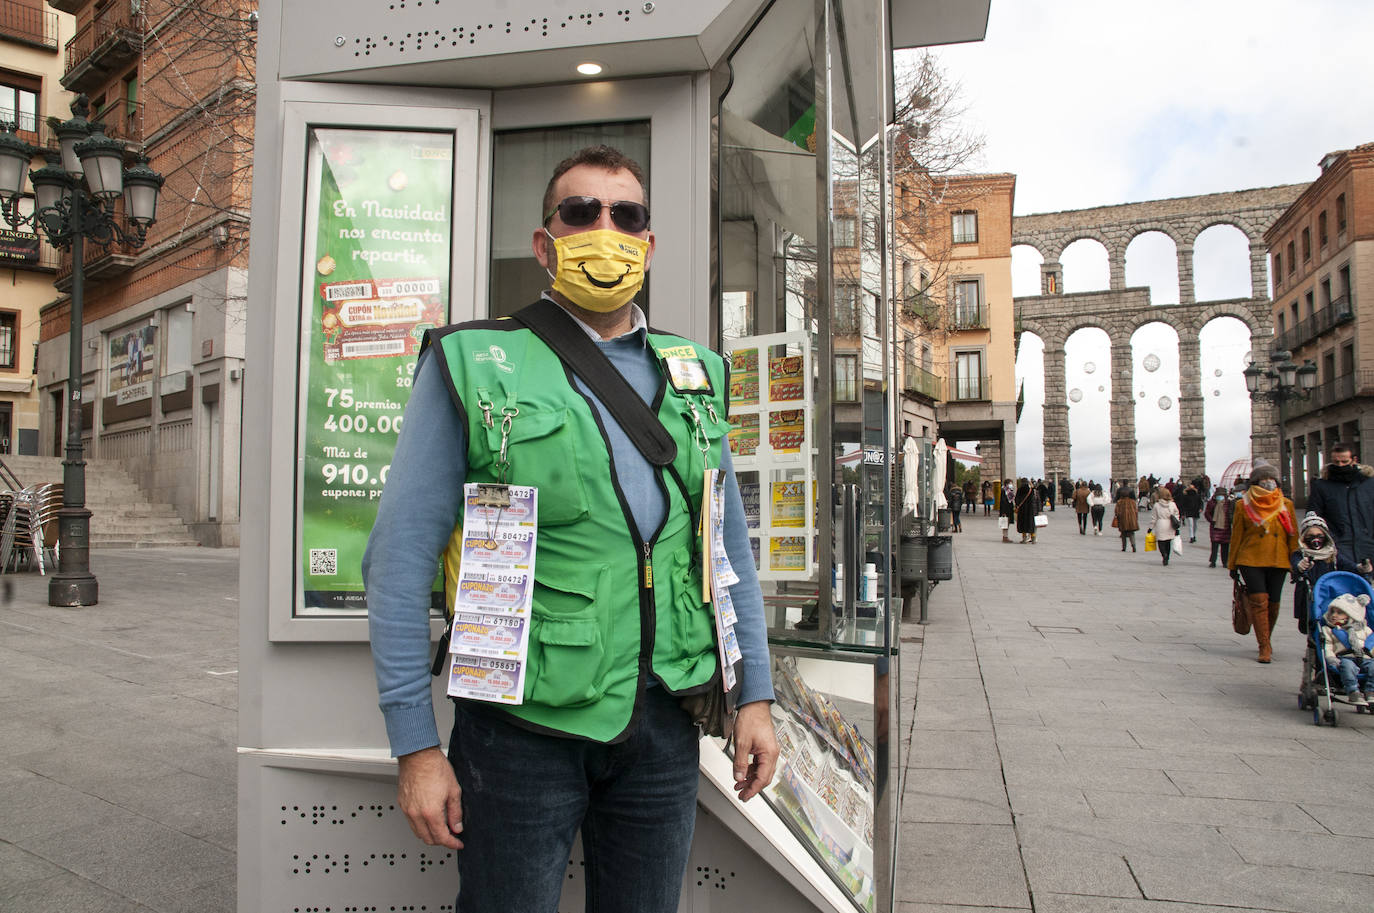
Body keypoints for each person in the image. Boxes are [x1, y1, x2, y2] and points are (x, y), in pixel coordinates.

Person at [362, 145, 777, 913]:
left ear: (648, 244)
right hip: (519, 729)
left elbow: (726, 552)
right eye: (581, 212)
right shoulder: (474, 362)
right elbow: (395, 560)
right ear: (545, 243)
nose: (606, 228)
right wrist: (414, 744)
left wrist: (756, 694)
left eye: (627, 215)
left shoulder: (696, 376)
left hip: (662, 720)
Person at [1227, 461, 1300, 663]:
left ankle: (1266, 636)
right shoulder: (1244, 505)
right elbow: (1237, 537)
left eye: (1271, 479)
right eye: (1263, 480)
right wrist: (1232, 565)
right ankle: (1264, 646)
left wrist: (1296, 560)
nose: (1268, 483)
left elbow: (1293, 535)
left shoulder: (1286, 504)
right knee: (1259, 601)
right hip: (1251, 559)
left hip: (1279, 559)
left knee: (1273, 604)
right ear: (1256, 482)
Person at [1306, 442, 1374, 575]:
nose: (1340, 466)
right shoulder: (1321, 486)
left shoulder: (1370, 484)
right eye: (1336, 462)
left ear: (1354, 460)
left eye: (1344, 461)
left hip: (1368, 547)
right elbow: (1313, 519)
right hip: (1338, 549)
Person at [1292, 514, 1364, 633]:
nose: (1316, 539)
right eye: (1310, 536)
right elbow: (1296, 565)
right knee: (1310, 624)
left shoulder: (1332, 554)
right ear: (1304, 538)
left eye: (1320, 536)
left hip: (1330, 594)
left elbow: (1349, 565)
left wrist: (1361, 567)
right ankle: (1313, 645)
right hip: (1309, 595)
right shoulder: (1300, 554)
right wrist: (1301, 566)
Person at [1317, 592, 1374, 705]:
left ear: (1351, 615)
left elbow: (1371, 645)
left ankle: (1371, 691)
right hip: (1345, 658)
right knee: (1347, 667)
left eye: (1339, 613)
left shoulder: (1365, 629)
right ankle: (1353, 692)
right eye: (1332, 611)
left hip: (1366, 657)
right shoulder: (1330, 630)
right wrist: (1331, 658)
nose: (1334, 615)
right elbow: (1328, 645)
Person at [1148, 486, 1182, 566]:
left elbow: (1154, 518)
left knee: (1161, 542)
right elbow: (1177, 514)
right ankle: (1167, 557)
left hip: (1160, 524)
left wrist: (1150, 528)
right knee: (1168, 542)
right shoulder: (1173, 504)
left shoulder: (1157, 505)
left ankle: (1164, 555)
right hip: (1170, 525)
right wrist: (1176, 524)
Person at [1204, 485, 1232, 568]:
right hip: (1215, 527)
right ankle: (1213, 561)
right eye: (1219, 495)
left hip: (1226, 527)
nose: (1220, 497)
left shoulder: (1228, 503)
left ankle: (1225, 562)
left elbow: (1230, 513)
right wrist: (1212, 521)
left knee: (1225, 547)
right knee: (1214, 546)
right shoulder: (1212, 503)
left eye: (1222, 495)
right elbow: (1207, 513)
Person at [1113, 486, 1139, 552]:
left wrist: (1118, 516)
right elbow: (1136, 511)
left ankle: (1124, 547)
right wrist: (1135, 518)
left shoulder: (1119, 502)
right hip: (1131, 520)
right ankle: (1134, 545)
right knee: (1131, 533)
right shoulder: (1133, 502)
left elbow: (1116, 511)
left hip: (1123, 519)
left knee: (1123, 534)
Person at [1016, 478, 1041, 544]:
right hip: (1032, 510)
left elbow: (1017, 500)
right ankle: (1033, 538)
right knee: (1032, 524)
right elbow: (1037, 500)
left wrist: (1018, 506)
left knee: (1023, 524)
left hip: (1022, 510)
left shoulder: (1020, 489)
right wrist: (1039, 509)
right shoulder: (1033, 490)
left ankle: (1024, 538)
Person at [999, 477, 1015, 543]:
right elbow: (1003, 501)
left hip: (1009, 509)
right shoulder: (1004, 490)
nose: (1012, 485)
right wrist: (1003, 512)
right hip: (1005, 510)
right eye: (1010, 483)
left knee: (1007, 523)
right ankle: (1005, 537)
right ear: (1007, 484)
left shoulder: (1009, 491)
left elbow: (1011, 500)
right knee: (1005, 523)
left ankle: (1006, 536)